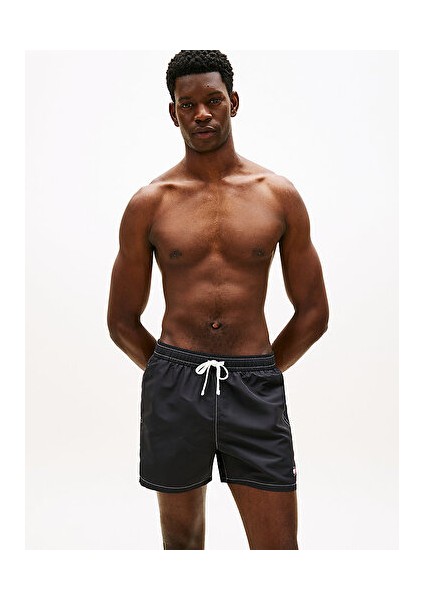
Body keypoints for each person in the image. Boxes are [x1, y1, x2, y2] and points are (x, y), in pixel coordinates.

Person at [107, 50, 329, 550]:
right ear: (174, 113)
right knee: (182, 545)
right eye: (188, 105)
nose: (201, 114)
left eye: (213, 100)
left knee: (278, 549)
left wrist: (259, 371)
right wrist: (171, 371)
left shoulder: (277, 195)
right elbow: (121, 320)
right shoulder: (150, 202)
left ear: (234, 102)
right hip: (175, 387)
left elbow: (314, 313)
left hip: (253, 385)